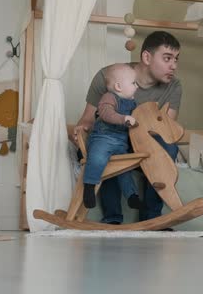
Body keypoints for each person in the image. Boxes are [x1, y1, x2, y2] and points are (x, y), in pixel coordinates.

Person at [74, 31, 182, 224]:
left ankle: (151, 217)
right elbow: (88, 120)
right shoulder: (109, 76)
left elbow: (165, 132)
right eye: (167, 58)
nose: (174, 66)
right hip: (113, 137)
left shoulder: (174, 86)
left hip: (144, 142)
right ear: (146, 57)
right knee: (107, 149)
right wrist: (80, 130)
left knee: (168, 147)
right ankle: (112, 218)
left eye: (176, 59)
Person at [82, 63, 144, 210]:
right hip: (103, 138)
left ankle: (132, 196)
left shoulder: (133, 103)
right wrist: (124, 119)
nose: (137, 86)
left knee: (125, 169)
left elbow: (138, 120)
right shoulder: (108, 97)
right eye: (133, 83)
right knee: (97, 158)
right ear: (118, 86)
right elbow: (106, 114)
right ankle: (89, 186)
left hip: (121, 143)